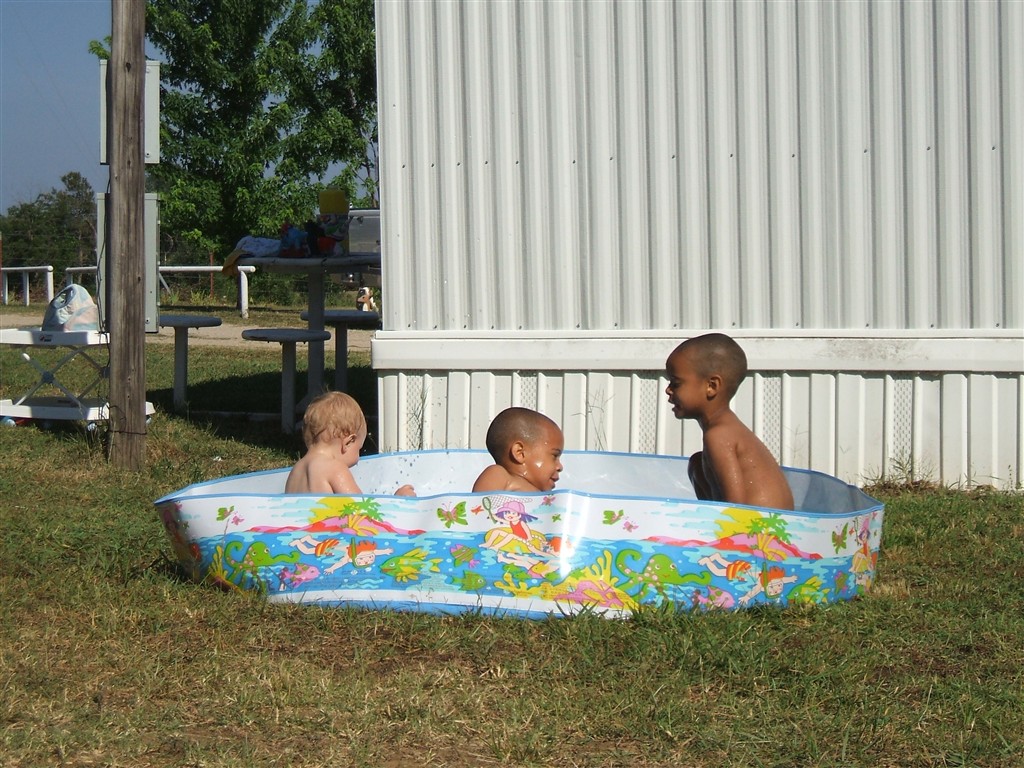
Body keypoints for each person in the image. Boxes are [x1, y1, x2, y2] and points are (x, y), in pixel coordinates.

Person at [665, 333, 794, 510]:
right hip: (774, 521)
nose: (668, 390)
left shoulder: (718, 436)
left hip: (765, 524)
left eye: (676, 383)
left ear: (711, 386)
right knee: (697, 464)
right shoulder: (727, 428)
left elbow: (735, 507)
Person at [285, 391, 415, 496]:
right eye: (359, 449)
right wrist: (396, 500)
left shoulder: (296, 470)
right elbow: (360, 510)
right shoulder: (335, 468)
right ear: (348, 442)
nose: (358, 457)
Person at [472, 407, 564, 493]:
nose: (560, 467)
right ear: (520, 453)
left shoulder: (546, 497)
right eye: (554, 456)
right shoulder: (499, 476)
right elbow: (482, 503)